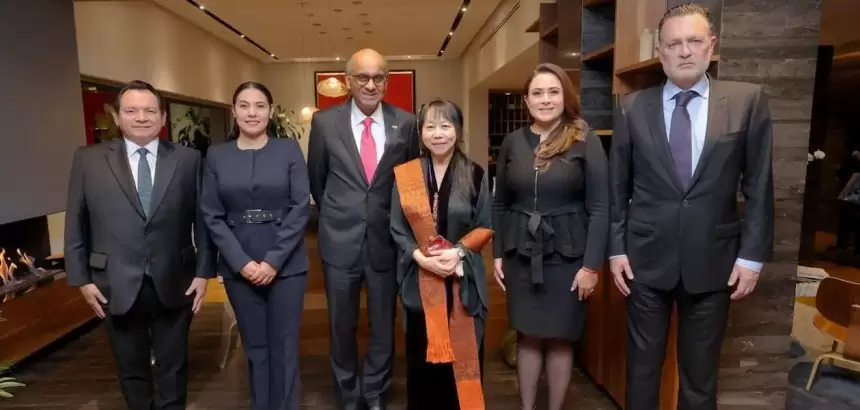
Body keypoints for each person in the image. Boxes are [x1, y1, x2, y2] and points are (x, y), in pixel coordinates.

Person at [608, 4, 774, 410]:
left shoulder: (747, 101)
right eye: (674, 44)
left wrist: (751, 257)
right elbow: (617, 188)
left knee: (700, 380)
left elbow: (758, 185)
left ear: (710, 46)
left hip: (714, 261)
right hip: (645, 261)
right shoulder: (631, 107)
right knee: (641, 374)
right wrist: (616, 249)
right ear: (660, 52)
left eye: (694, 41)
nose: (684, 51)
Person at [64, 80, 215, 410]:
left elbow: (204, 220)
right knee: (131, 370)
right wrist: (81, 279)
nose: (141, 117)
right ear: (117, 116)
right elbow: (76, 221)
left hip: (176, 279)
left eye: (149, 111)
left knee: (173, 368)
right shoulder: (88, 160)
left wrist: (204, 272)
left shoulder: (189, 159)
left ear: (163, 117)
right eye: (131, 110)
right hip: (113, 282)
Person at [491, 63, 609, 410]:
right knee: (526, 335)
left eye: (553, 92)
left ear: (565, 97)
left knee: (560, 338)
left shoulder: (585, 140)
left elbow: (600, 207)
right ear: (526, 101)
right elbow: (500, 203)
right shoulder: (513, 142)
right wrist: (497, 253)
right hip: (521, 253)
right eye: (538, 93)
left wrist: (591, 266)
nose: (545, 99)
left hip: (569, 255)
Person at [306, 48, 419, 410]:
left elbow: (411, 181)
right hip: (340, 242)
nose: (371, 85)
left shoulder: (407, 123)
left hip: (387, 241)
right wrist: (341, 213)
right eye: (362, 77)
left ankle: (374, 392)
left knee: (383, 324)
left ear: (387, 81)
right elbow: (317, 180)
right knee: (341, 325)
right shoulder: (325, 123)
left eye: (378, 77)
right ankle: (348, 393)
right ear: (348, 81)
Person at [201, 82, 310, 410]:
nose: (252, 113)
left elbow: (300, 207)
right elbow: (211, 214)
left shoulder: (288, 150)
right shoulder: (217, 155)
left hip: (287, 265)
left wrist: (273, 261)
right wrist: (241, 262)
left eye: (260, 106)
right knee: (256, 348)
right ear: (233, 111)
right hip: (239, 265)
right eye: (244, 105)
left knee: (285, 347)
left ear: (271, 111)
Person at [390, 99, 493, 410]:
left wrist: (459, 253)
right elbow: (397, 227)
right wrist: (419, 257)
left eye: (445, 126)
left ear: (457, 130)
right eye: (430, 126)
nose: (438, 134)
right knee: (421, 363)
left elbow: (485, 225)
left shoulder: (474, 174)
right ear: (421, 132)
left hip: (461, 282)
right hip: (419, 283)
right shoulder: (406, 175)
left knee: (462, 360)